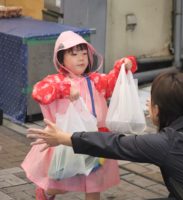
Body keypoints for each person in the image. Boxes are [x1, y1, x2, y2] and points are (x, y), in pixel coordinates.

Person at [27, 71, 183, 200]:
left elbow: (116, 144)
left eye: (150, 101)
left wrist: (64, 138)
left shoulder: (168, 143)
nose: (147, 105)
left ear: (158, 110)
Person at [22, 30, 137, 200]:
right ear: (61, 58)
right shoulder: (57, 80)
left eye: (84, 53)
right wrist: (64, 89)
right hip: (65, 139)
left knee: (94, 185)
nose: (81, 58)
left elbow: (113, 81)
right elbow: (39, 92)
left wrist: (125, 65)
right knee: (60, 184)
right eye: (74, 54)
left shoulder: (95, 80)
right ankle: (46, 192)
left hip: (96, 138)